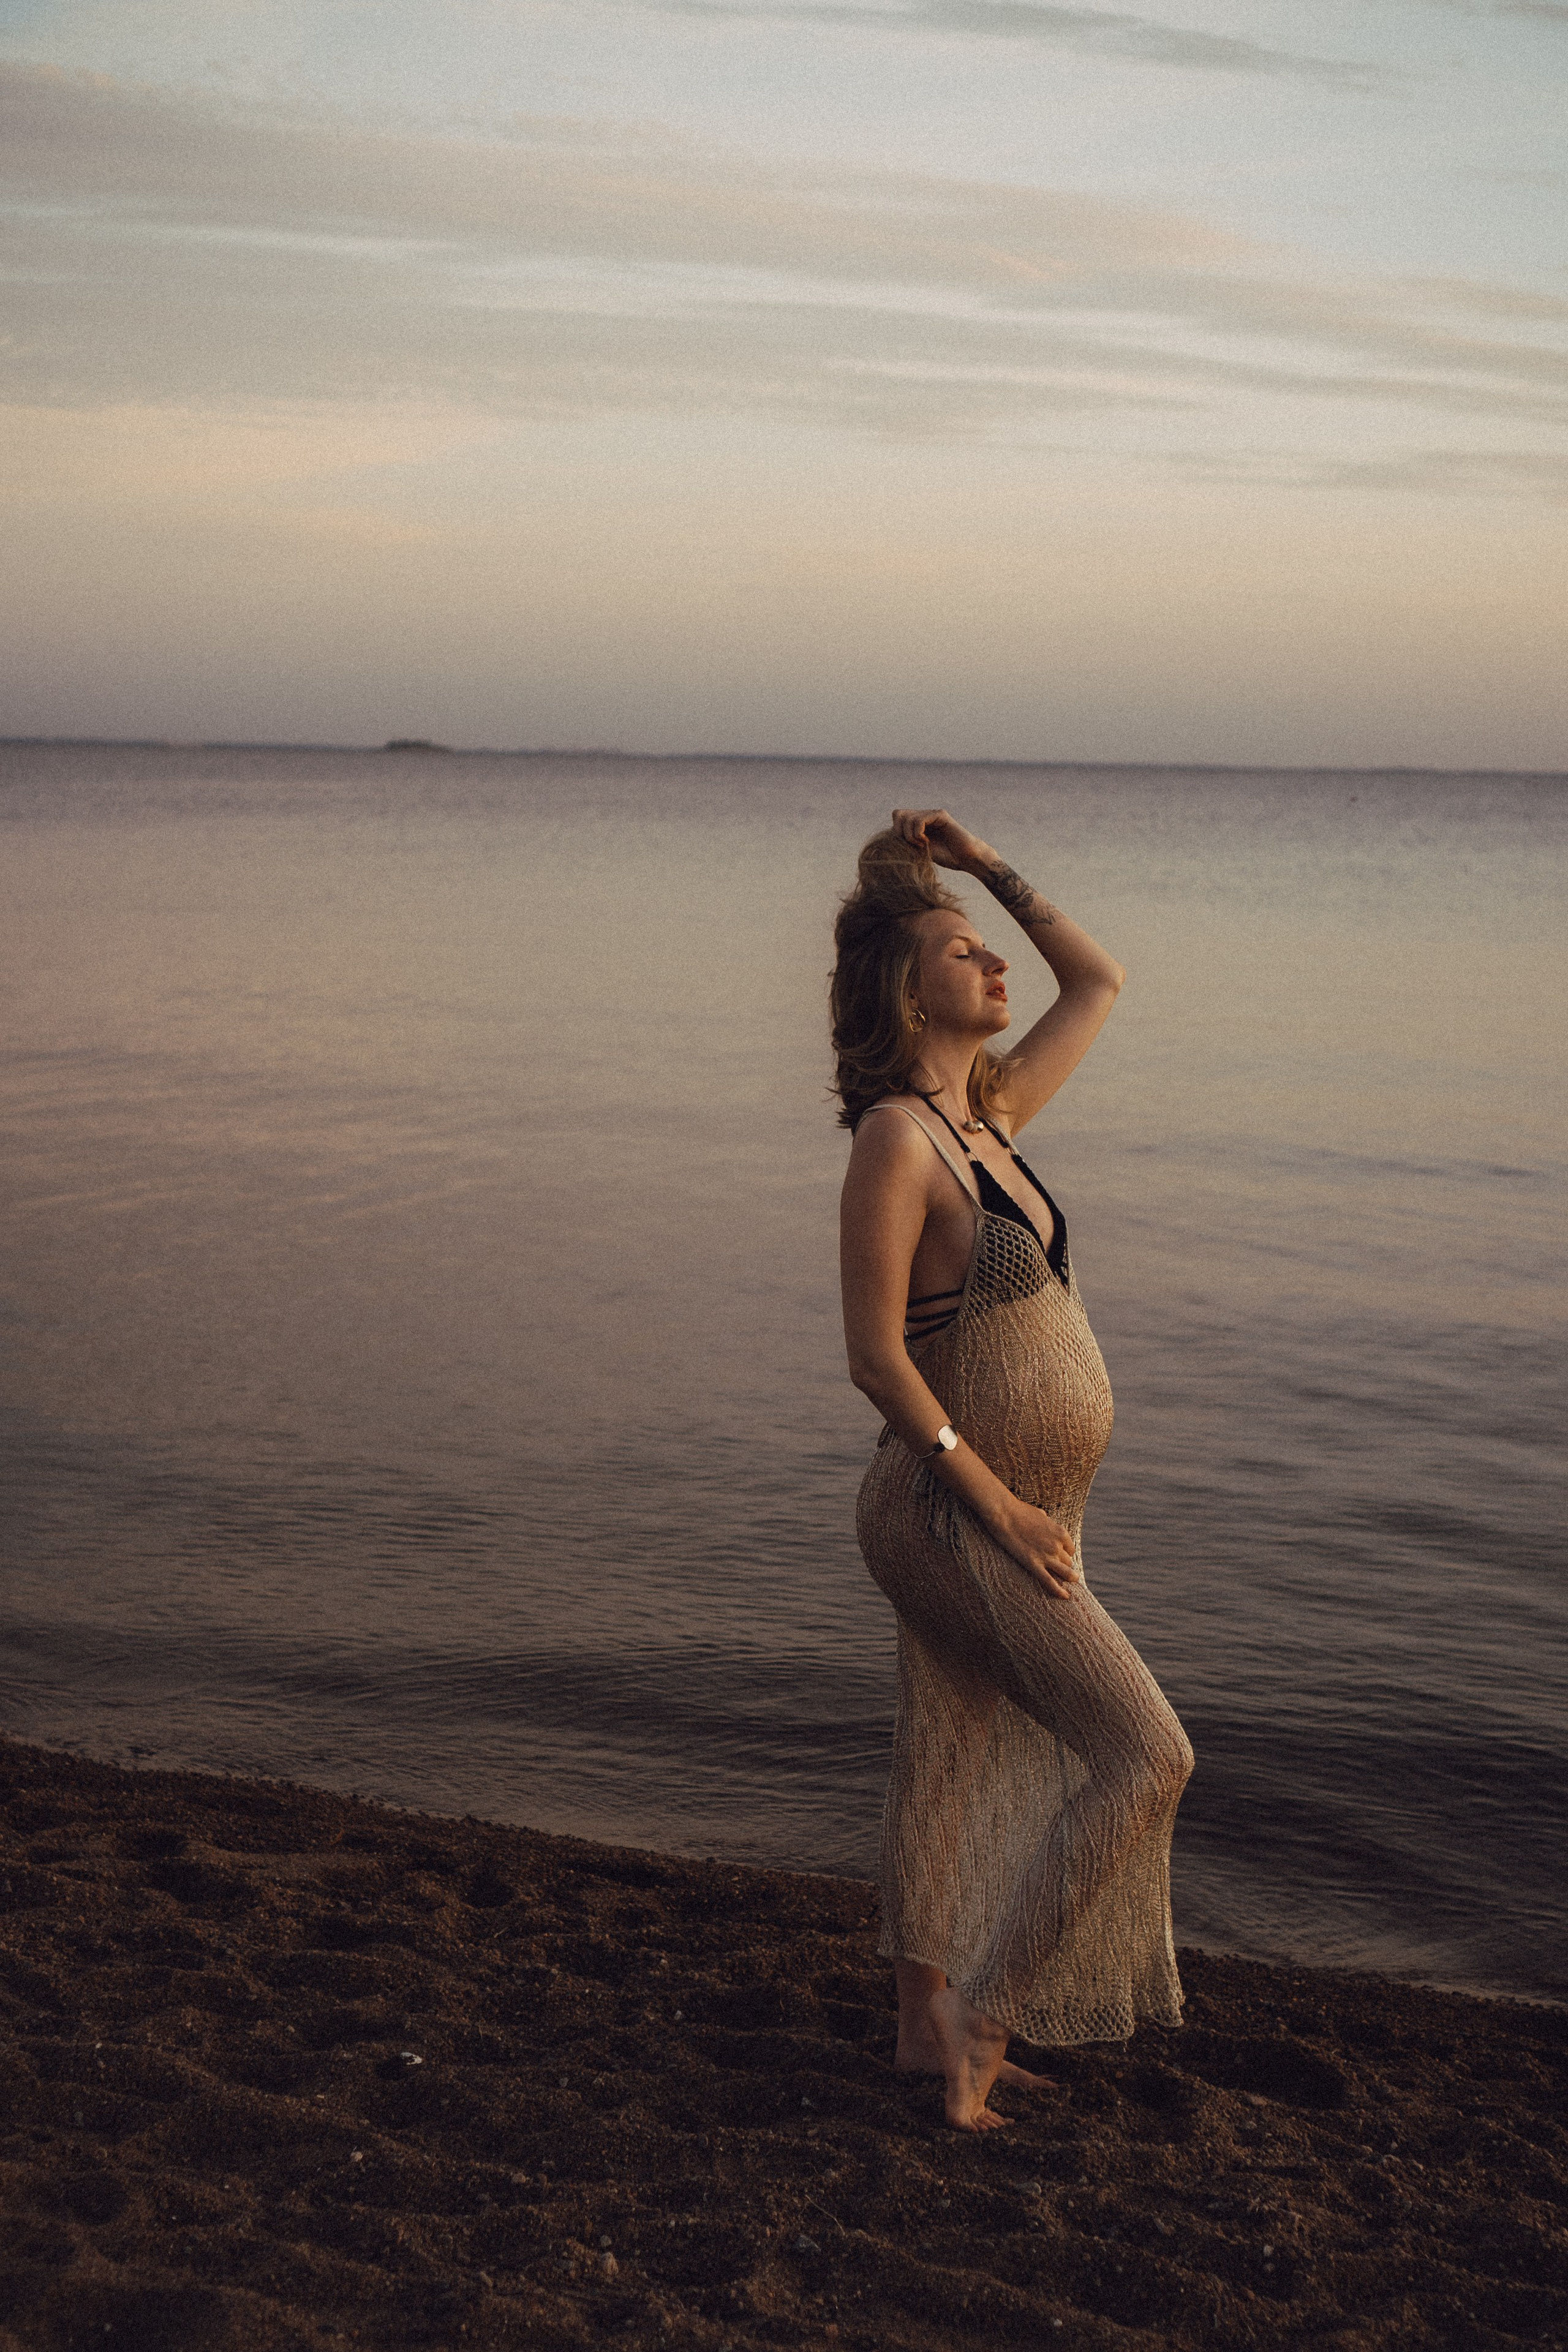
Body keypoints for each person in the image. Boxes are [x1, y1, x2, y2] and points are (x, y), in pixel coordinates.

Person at [835, 807, 1193, 2132]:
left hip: (1024, 1509)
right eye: (963, 953)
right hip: (950, 1510)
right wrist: (989, 1503)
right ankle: (985, 2023)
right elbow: (877, 1360)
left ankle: (916, 2027)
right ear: (901, 987)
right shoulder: (896, 1140)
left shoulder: (986, 1113)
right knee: (1146, 1754)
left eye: (992, 951)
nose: (997, 971)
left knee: (947, 1743)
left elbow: (1093, 977)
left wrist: (982, 866)